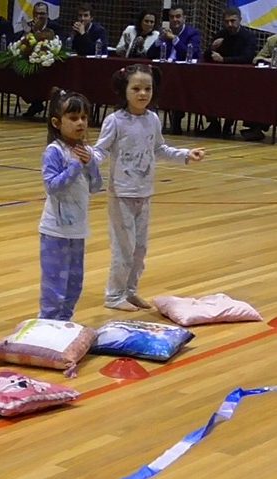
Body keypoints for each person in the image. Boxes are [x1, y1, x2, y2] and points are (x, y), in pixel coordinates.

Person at [93, 64, 205, 312]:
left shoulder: (153, 119)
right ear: (125, 90)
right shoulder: (115, 121)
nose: (142, 93)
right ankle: (114, 295)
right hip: (122, 193)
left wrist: (186, 154)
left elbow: (159, 149)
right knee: (124, 248)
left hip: (144, 193)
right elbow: (100, 149)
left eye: (147, 88)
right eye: (136, 88)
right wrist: (86, 159)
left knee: (140, 249)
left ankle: (130, 291)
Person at [38, 89, 101, 320]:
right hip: (55, 230)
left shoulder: (87, 151)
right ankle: (47, 323)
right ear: (57, 122)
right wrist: (74, 165)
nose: (80, 123)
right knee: (54, 283)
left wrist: (90, 164)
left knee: (75, 282)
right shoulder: (54, 152)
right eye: (73, 118)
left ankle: (64, 322)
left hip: (78, 230)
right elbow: (52, 186)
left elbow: (96, 186)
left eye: (84, 117)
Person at [201, 7, 258, 138]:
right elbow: (207, 57)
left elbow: (248, 58)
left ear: (240, 20)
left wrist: (224, 59)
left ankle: (228, 125)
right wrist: (212, 48)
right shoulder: (221, 34)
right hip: (219, 79)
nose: (230, 25)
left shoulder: (248, 37)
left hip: (241, 80)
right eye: (227, 22)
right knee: (204, 89)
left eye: (233, 21)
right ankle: (214, 124)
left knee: (234, 95)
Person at [148, 5, 201, 135]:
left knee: (177, 85)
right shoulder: (165, 33)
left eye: (178, 16)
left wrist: (175, 39)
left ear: (184, 18)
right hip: (165, 71)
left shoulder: (192, 33)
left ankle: (176, 121)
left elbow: (191, 54)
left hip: (185, 74)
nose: (175, 20)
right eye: (172, 17)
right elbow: (149, 54)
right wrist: (160, 40)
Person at [17, 3, 65, 118]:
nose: (39, 16)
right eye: (36, 13)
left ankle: (41, 104)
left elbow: (60, 44)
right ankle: (35, 103)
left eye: (42, 14)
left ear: (48, 15)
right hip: (31, 63)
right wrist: (27, 33)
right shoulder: (28, 26)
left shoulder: (55, 27)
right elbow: (19, 42)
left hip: (51, 65)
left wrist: (38, 34)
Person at [241, 33, 277, 141]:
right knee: (258, 93)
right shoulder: (272, 40)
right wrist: (269, 60)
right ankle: (256, 128)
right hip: (272, 83)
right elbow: (256, 59)